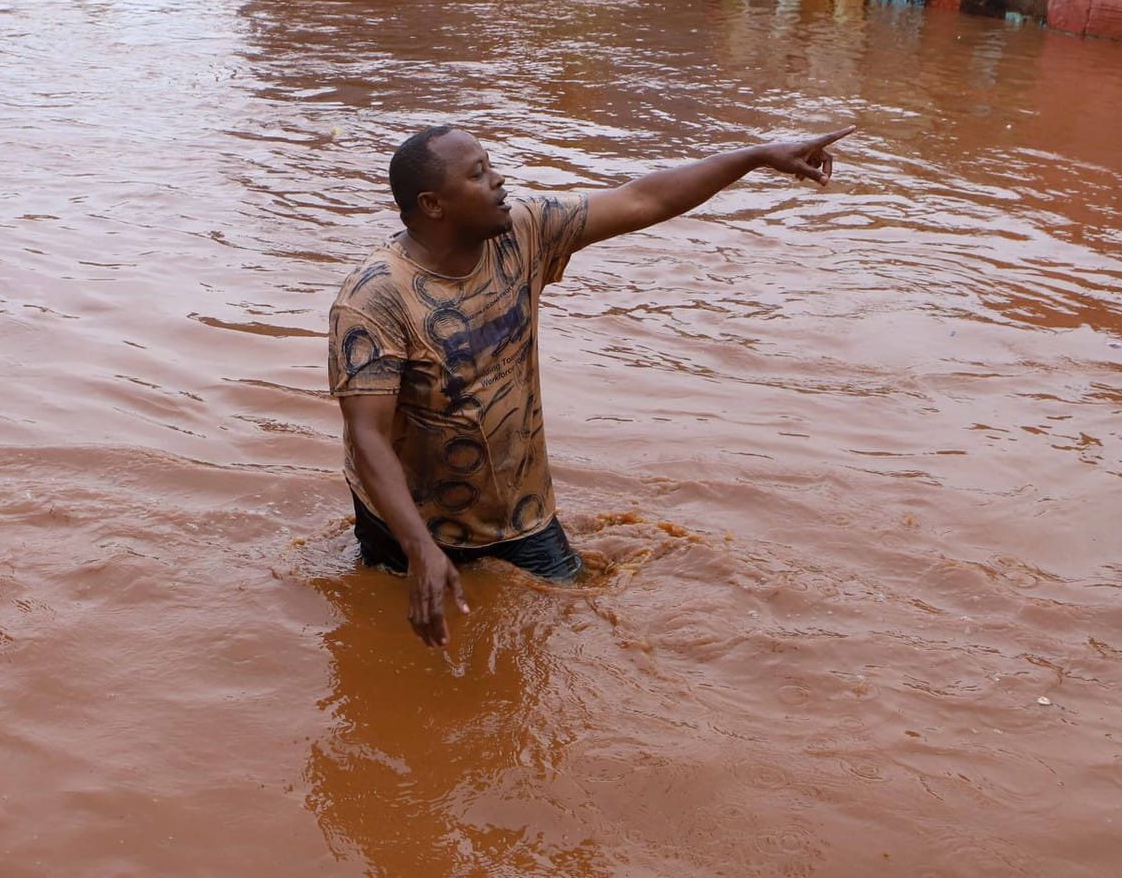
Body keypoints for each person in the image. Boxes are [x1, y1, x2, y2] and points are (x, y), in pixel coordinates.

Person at [329, 124, 854, 648]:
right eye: (479, 173)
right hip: (404, 524)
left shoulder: (522, 232)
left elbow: (643, 198)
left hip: (519, 513)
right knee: (389, 644)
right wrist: (419, 547)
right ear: (434, 204)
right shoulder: (375, 299)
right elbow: (367, 436)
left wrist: (757, 155)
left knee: (559, 639)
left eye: (491, 166)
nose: (500, 181)